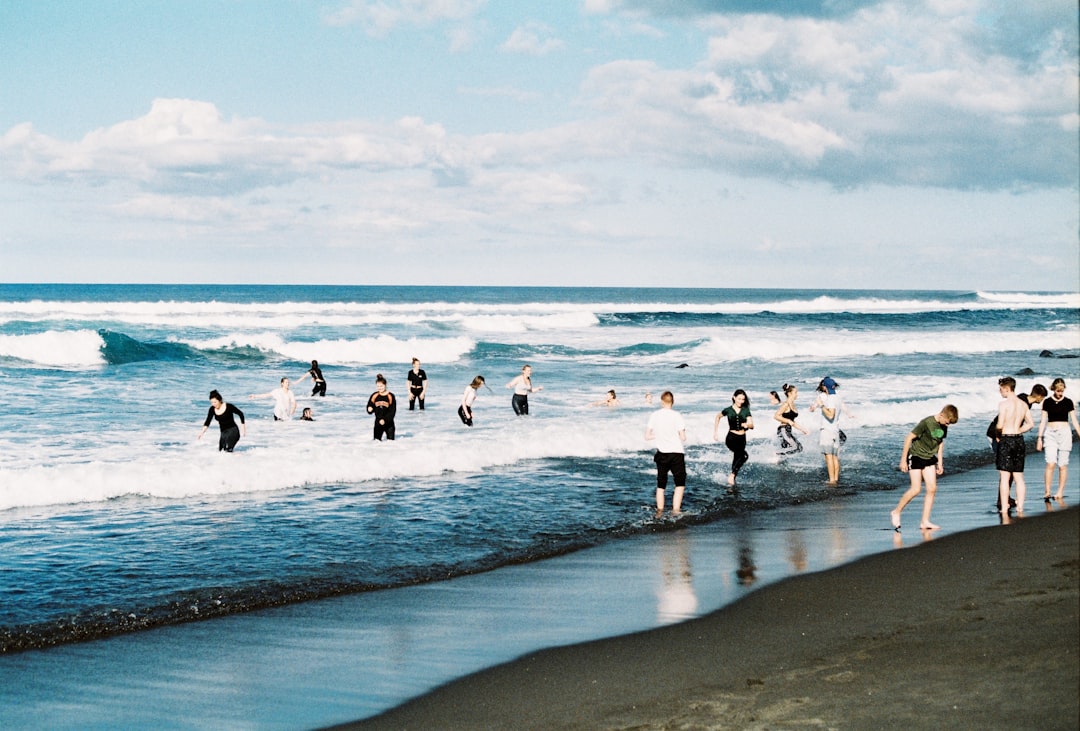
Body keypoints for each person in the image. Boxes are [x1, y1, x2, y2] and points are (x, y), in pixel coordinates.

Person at [890, 405, 960, 532]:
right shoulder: (927, 423)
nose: (947, 425)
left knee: (932, 489)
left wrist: (940, 462)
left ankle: (925, 521)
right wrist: (903, 460)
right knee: (916, 489)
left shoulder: (944, 425)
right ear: (942, 414)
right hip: (916, 456)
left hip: (929, 458)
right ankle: (896, 511)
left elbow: (940, 442)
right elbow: (908, 438)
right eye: (947, 422)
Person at [985, 383, 1046, 510]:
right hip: (999, 434)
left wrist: (1012, 430)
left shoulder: (1021, 400)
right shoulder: (1023, 402)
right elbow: (1027, 423)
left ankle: (1005, 498)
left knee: (1007, 471)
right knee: (1008, 471)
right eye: (1043, 398)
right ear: (1039, 396)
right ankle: (1003, 500)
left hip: (1006, 435)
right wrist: (1015, 431)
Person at [995, 376, 1034, 516]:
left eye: (1001, 389)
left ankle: (1004, 507)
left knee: (1005, 477)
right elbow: (1031, 423)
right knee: (1018, 476)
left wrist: (998, 433)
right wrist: (1018, 429)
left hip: (1006, 439)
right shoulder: (1023, 404)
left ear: (1006, 388)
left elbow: (999, 425)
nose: (1000, 392)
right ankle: (1020, 507)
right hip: (1019, 439)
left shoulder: (1004, 404)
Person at [1036, 378, 1080, 501]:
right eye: (1058, 390)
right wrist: (1039, 438)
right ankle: (1047, 491)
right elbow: (1043, 421)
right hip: (1050, 433)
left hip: (1065, 433)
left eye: (1062, 390)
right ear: (1054, 389)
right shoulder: (1047, 402)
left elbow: (1074, 421)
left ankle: (1060, 491)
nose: (1060, 393)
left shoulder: (1068, 402)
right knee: (1050, 463)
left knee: (1062, 465)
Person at [645, 390, 687, 516]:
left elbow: (647, 436)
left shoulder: (655, 415)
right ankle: (675, 511)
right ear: (672, 402)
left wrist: (659, 435)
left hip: (662, 453)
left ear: (662, 402)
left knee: (661, 485)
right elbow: (683, 437)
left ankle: (659, 512)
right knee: (679, 484)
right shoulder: (677, 415)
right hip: (676, 453)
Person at [809, 376, 853, 485]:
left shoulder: (830, 399)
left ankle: (832, 481)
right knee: (835, 457)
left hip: (827, 431)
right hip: (835, 431)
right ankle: (836, 479)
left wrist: (821, 405)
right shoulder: (837, 397)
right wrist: (849, 414)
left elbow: (830, 415)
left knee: (829, 457)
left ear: (825, 387)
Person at [713, 389, 753, 486]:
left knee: (737, 457)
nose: (741, 401)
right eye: (739, 399)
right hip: (731, 438)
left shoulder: (746, 410)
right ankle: (732, 475)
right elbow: (718, 416)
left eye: (743, 399)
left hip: (742, 438)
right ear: (734, 398)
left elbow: (752, 425)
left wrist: (747, 425)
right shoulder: (728, 410)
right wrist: (715, 432)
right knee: (744, 456)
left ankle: (732, 479)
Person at [773, 383, 809, 454]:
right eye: (795, 392)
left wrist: (803, 430)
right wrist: (787, 420)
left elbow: (792, 422)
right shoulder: (786, 404)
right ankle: (775, 453)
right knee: (795, 447)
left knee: (798, 448)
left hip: (788, 430)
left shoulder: (792, 404)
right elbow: (776, 416)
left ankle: (778, 460)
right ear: (789, 393)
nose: (797, 394)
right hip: (783, 430)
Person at [366, 374, 397, 441]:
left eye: (381, 386)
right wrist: (369, 409)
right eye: (378, 386)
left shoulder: (390, 396)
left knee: (391, 444)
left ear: (385, 385)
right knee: (376, 442)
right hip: (378, 422)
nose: (380, 388)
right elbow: (370, 406)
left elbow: (392, 411)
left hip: (389, 423)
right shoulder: (374, 395)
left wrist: (385, 420)